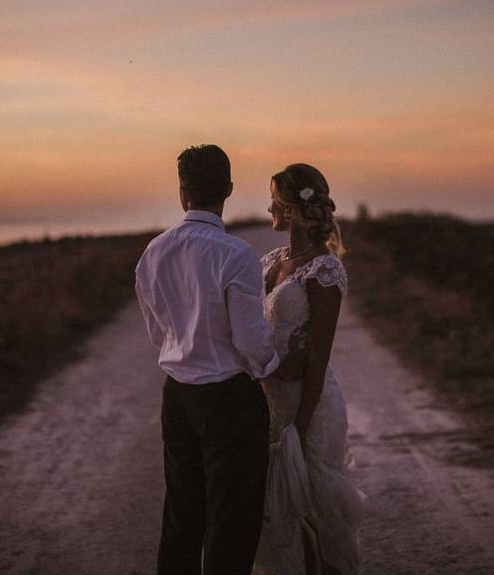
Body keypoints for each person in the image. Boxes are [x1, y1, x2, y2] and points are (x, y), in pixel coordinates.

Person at [135, 145, 303, 575]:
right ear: (228, 189)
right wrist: (278, 365)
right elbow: (250, 341)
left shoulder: (153, 252)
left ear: (181, 192)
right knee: (232, 523)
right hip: (229, 399)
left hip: (177, 398)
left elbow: (159, 334)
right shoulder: (235, 255)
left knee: (181, 517)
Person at [253, 163, 364, 575]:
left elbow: (318, 356)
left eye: (274, 201)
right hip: (267, 401)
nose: (269, 208)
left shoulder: (324, 270)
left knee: (315, 508)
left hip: (309, 406)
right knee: (275, 513)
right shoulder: (271, 261)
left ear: (293, 208)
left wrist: (299, 424)